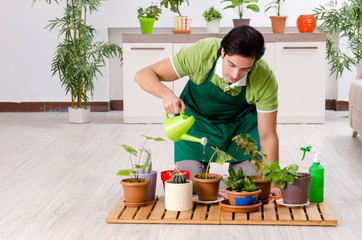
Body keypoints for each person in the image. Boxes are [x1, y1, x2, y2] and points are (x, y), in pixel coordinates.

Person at [135, 26, 280, 195]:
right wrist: (166, 94)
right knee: (191, 186)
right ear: (223, 52)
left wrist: (274, 183)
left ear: (254, 63)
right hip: (197, 124)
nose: (234, 75)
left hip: (241, 131)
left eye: (245, 69)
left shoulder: (264, 77)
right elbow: (143, 74)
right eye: (231, 64)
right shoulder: (202, 54)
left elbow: (268, 135)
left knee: (253, 187)